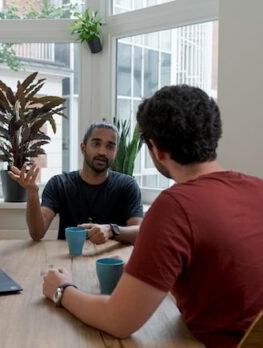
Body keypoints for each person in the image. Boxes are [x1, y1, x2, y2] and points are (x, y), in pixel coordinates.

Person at [41, 85, 263, 347]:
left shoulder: (174, 207)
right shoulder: (257, 187)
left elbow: (118, 321)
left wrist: (62, 289)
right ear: (214, 135)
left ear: (156, 150)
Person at [9, 121, 143, 245]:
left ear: (116, 152)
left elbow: (139, 232)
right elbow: (37, 233)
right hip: (67, 261)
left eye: (110, 146)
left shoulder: (127, 185)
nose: (102, 152)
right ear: (83, 147)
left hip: (110, 263)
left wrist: (111, 230)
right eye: (96, 144)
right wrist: (32, 194)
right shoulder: (59, 184)